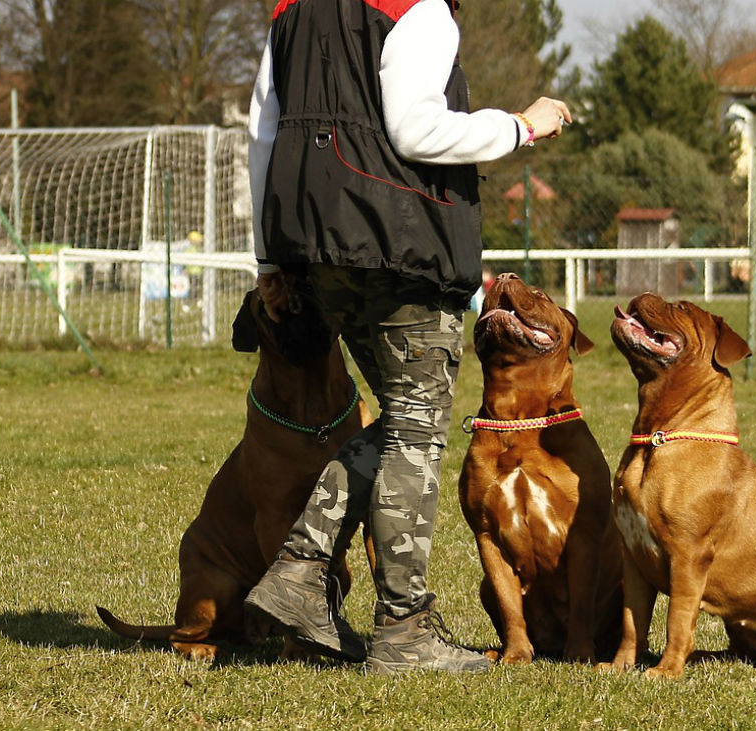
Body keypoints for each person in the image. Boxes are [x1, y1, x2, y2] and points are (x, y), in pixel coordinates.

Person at [243, 0, 571, 674]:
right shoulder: (418, 9)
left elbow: (262, 133)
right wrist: (521, 126)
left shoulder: (292, 10)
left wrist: (269, 258)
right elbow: (417, 130)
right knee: (416, 432)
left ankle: (300, 573)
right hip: (400, 247)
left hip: (315, 247)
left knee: (404, 421)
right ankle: (402, 632)